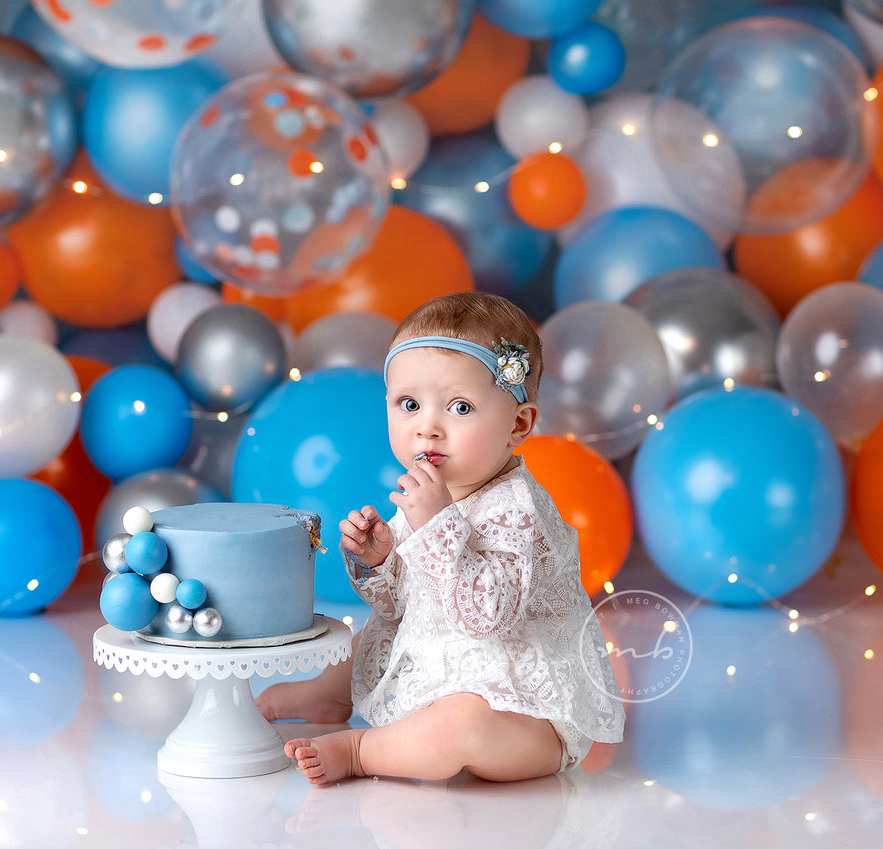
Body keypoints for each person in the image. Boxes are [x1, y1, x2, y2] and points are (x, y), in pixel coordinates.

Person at [256, 291, 625, 785]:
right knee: (370, 637)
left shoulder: (518, 510)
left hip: (522, 712)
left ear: (519, 424)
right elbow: (400, 605)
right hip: (442, 667)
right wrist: (380, 561)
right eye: (409, 404)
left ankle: (362, 750)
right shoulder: (432, 491)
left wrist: (434, 526)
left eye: (460, 407)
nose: (427, 428)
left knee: (462, 725)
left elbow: (484, 618)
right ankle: (328, 694)